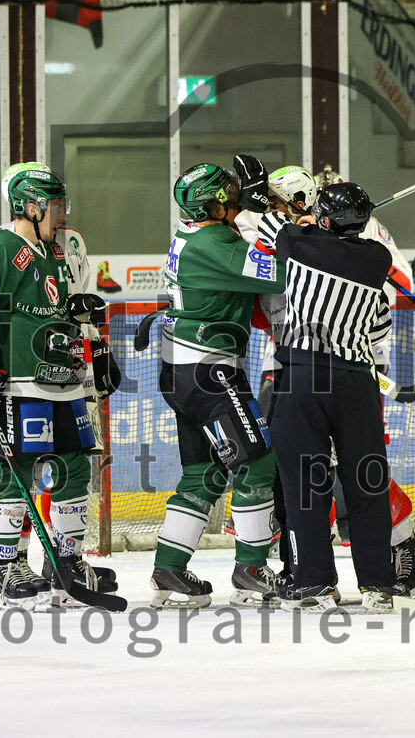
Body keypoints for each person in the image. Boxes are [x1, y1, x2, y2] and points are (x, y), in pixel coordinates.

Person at [0, 164, 118, 609]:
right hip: (21, 383)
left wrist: (85, 326)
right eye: (56, 206)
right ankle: (6, 566)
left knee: (75, 469)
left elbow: (52, 306)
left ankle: (67, 562)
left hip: (64, 381)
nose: (62, 215)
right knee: (17, 471)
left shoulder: (53, 251)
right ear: (31, 205)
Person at [150, 161, 286, 609]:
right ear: (212, 202)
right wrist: (293, 227)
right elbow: (282, 273)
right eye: (228, 193)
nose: (235, 198)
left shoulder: (195, 235)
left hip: (182, 369)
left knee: (203, 471)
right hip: (209, 370)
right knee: (259, 463)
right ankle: (250, 569)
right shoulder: (216, 241)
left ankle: (168, 567)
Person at [268, 182, 403, 613]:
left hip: (304, 379)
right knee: (367, 485)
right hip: (355, 383)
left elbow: (275, 225)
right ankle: (378, 584)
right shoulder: (377, 259)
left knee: (306, 488)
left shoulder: (296, 241)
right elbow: (378, 329)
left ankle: (315, 584)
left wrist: (306, 220)